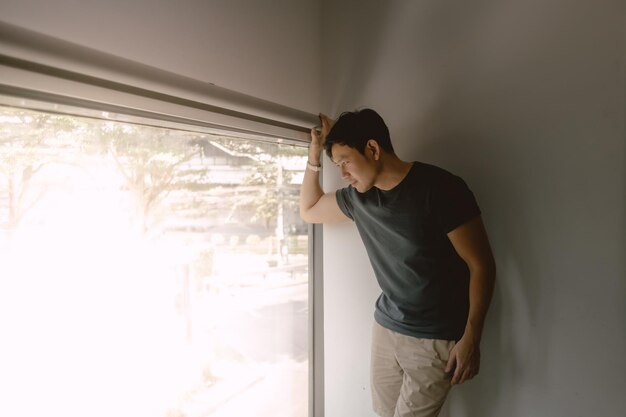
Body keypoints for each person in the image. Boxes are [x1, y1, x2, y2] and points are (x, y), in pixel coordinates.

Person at [299, 109, 496, 417]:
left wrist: (471, 338)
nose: (343, 174)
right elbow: (309, 210)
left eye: (345, 162)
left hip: (434, 338)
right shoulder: (358, 199)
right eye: (338, 166)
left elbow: (481, 265)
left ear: (373, 149)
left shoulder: (441, 189)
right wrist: (314, 156)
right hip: (386, 327)